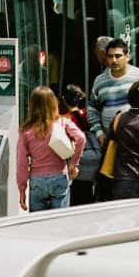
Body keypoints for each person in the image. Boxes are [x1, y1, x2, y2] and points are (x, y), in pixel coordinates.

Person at [16, 85, 84, 214]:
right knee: (60, 224)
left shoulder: (25, 130)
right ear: (54, 103)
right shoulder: (62, 122)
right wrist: (74, 165)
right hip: (59, 177)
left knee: (38, 225)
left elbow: (21, 164)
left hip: (37, 182)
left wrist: (22, 190)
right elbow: (81, 138)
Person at [89, 38, 139, 140]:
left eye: (118, 56)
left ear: (127, 56)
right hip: (110, 142)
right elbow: (92, 109)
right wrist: (99, 133)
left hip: (137, 141)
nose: (114, 60)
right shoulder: (99, 81)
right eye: (110, 56)